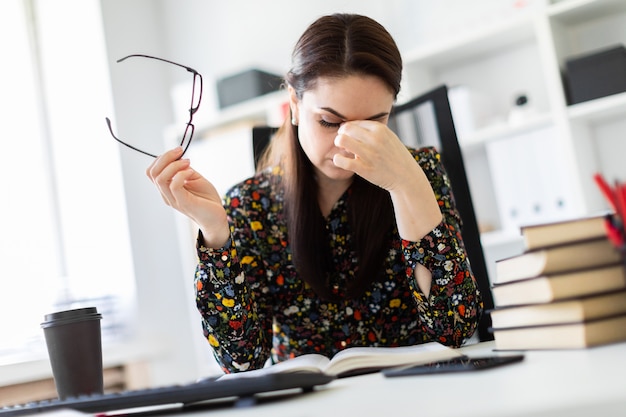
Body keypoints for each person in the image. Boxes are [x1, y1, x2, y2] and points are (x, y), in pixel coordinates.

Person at [147, 13, 483, 374]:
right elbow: (241, 361)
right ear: (293, 105)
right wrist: (216, 235)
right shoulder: (251, 205)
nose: (346, 142)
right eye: (328, 121)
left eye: (373, 124)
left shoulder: (421, 173)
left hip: (420, 393)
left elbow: (455, 330)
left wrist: (406, 185)